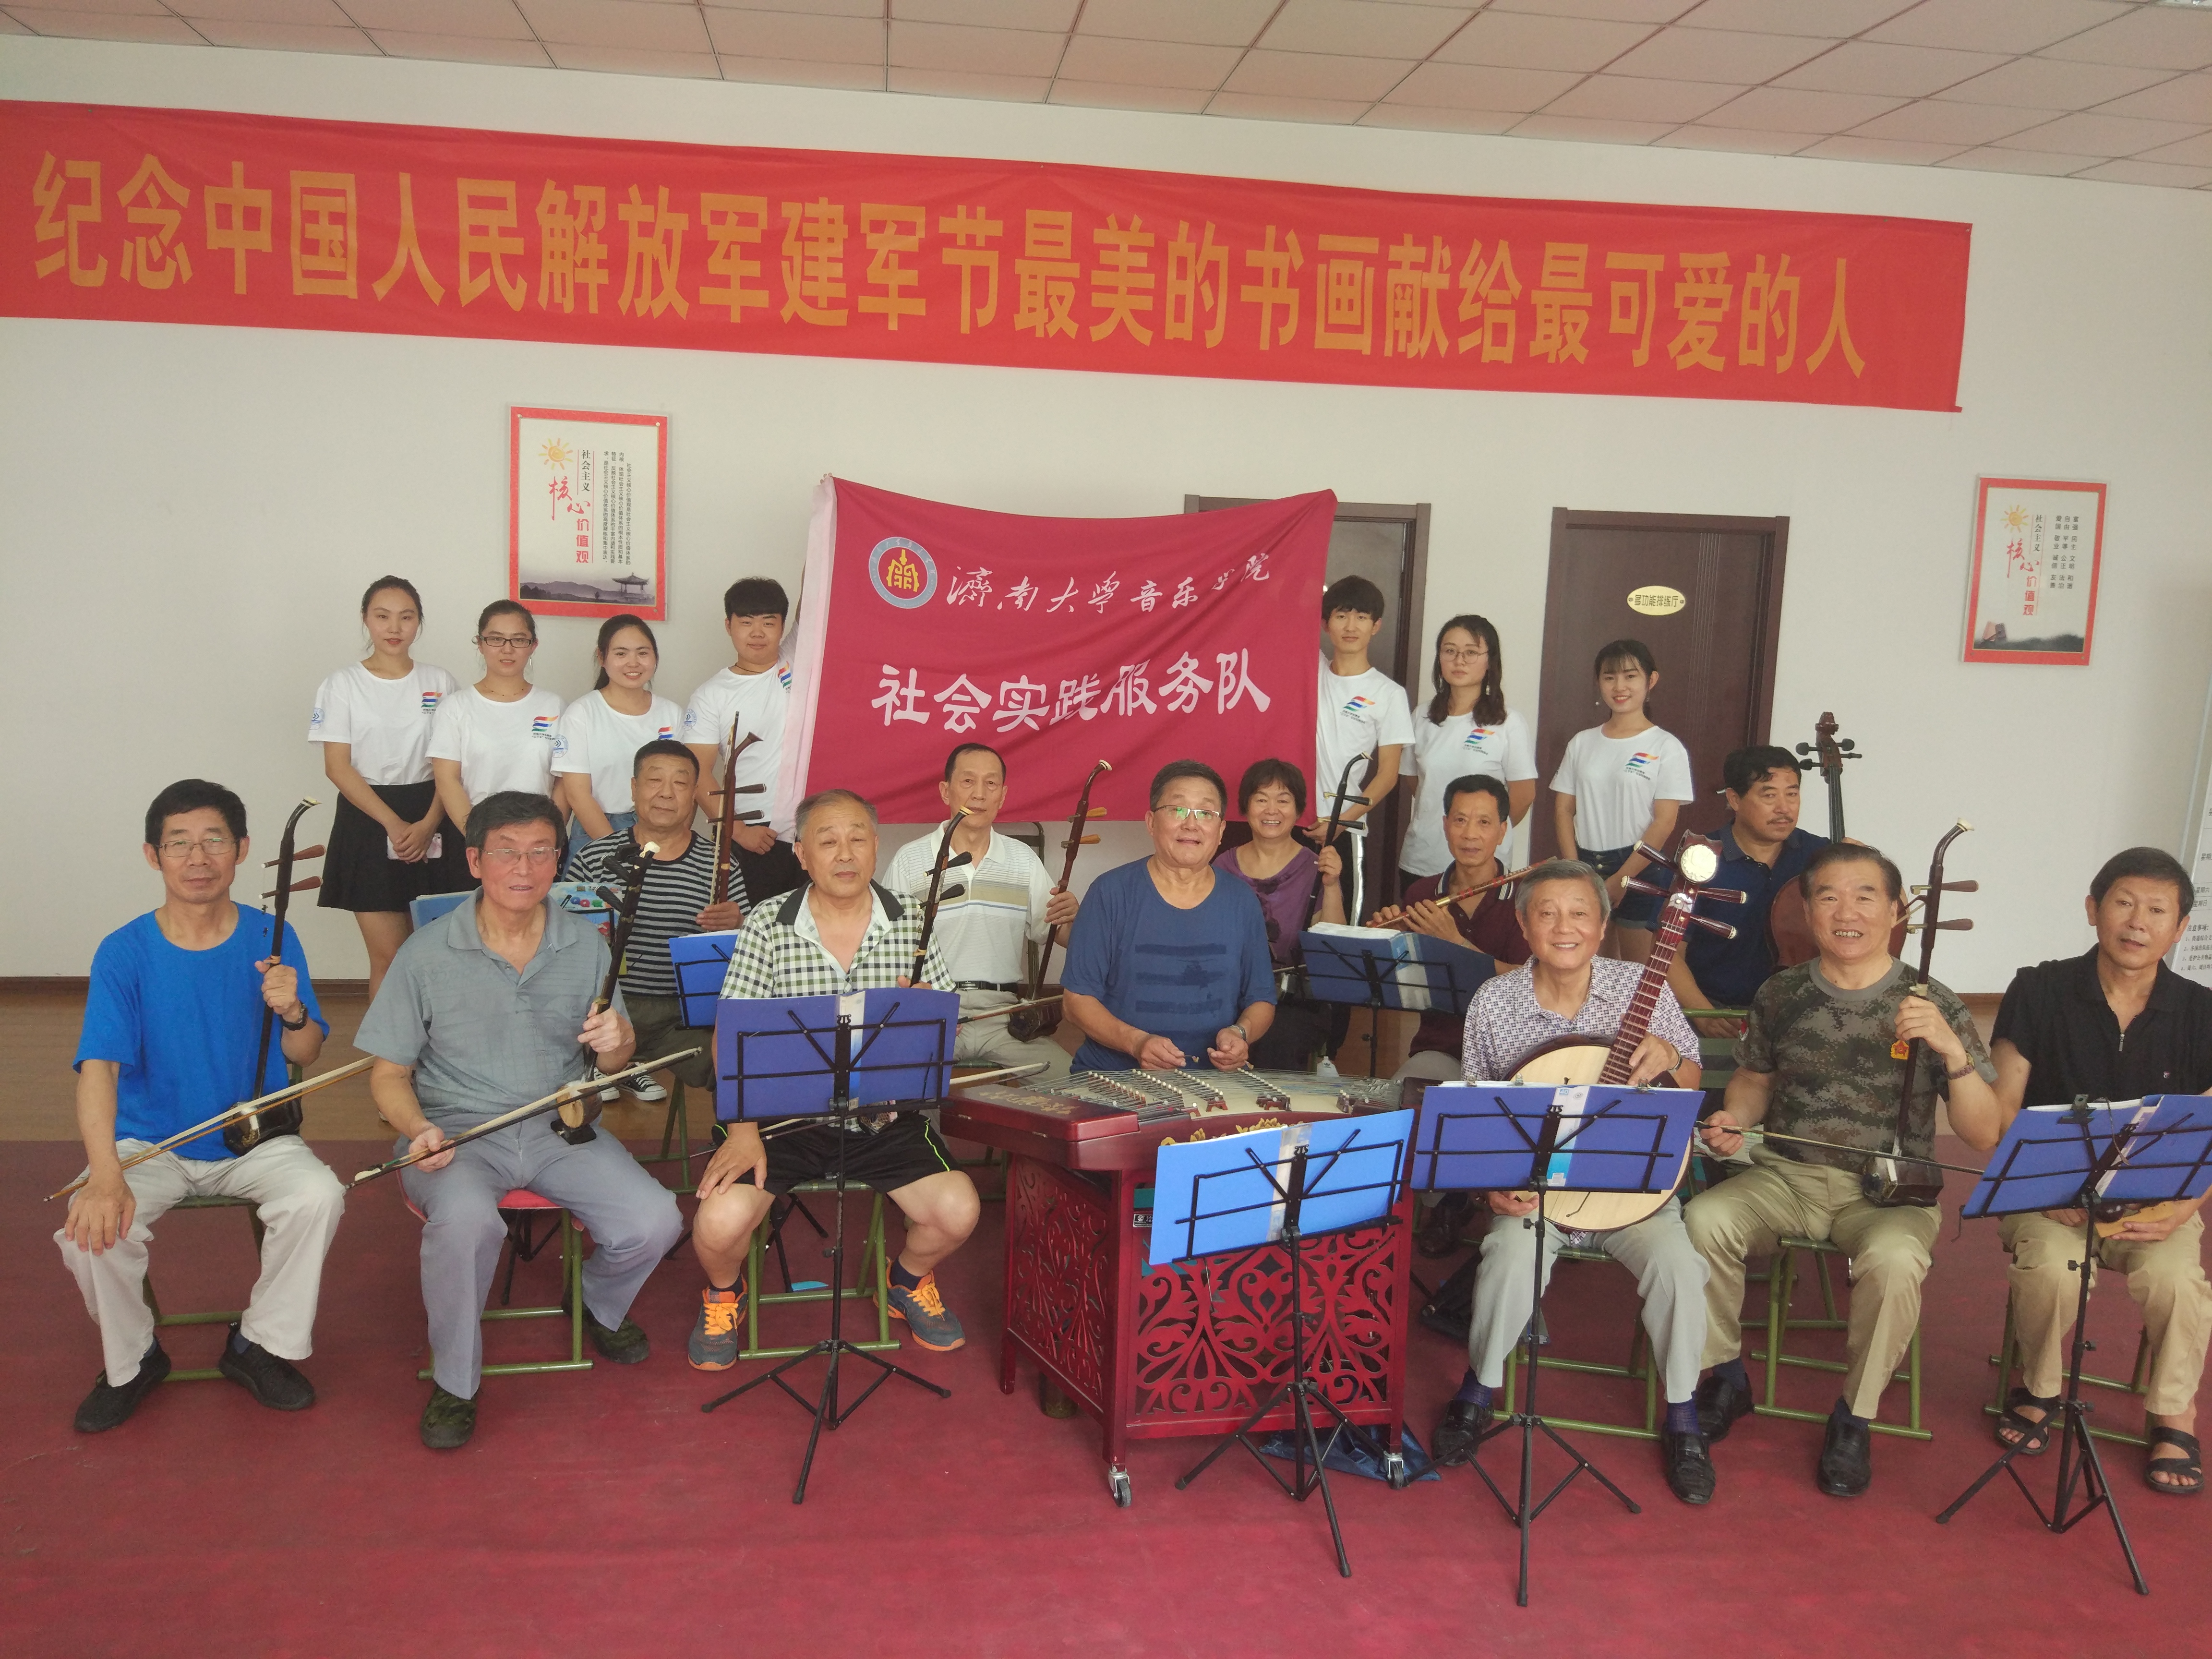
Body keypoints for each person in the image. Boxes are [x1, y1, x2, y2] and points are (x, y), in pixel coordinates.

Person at [357, 790, 683, 1450]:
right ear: (475, 861)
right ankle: (455, 1384)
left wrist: (619, 1040)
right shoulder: (425, 953)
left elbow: (611, 1061)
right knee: (466, 1224)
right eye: (507, 853)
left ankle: (594, 1302)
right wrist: (418, 1130)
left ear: (558, 861)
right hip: (456, 1133)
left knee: (656, 1220)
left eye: (540, 852)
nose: (524, 868)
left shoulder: (587, 945)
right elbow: (387, 1075)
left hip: (560, 1127)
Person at [1689, 842, 1996, 1500]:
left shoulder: (1933, 1002)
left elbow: (1983, 1132)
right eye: (1828, 897)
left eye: (1865, 897)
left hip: (1887, 1195)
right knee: (1703, 1221)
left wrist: (1952, 1049)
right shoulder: (1783, 992)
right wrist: (1736, 1117)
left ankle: (1855, 1416)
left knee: (1896, 1263)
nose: (1846, 912)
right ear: (1808, 911)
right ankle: (1727, 1377)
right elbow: (1754, 1080)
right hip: (1786, 1177)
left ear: (1896, 910)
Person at [59, 780, 346, 1432]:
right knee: (88, 1234)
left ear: (240, 850)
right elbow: (98, 1070)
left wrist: (292, 1010)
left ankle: (259, 1344)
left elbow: (307, 1051)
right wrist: (104, 1174)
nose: (198, 858)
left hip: (254, 1137)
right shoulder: (124, 951)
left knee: (318, 1197)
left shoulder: (273, 935)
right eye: (179, 844)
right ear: (152, 855)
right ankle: (134, 1358)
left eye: (214, 841)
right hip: (149, 1143)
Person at [1444, 859, 1711, 1504]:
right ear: (1523, 925)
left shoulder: (1640, 985)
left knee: (1680, 1267)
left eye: (1580, 913)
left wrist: (1672, 1055)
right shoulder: (1494, 1002)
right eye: (1547, 913)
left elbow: (1692, 1079)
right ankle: (1479, 1389)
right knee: (1507, 1256)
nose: (1564, 927)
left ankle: (1683, 1416)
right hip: (1537, 1193)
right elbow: (1478, 1117)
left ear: (1603, 924)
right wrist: (1490, 1189)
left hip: (1634, 1194)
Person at [685, 789, 975, 1370]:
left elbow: (950, 1028)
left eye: (857, 838)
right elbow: (730, 1032)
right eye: (828, 841)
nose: (845, 853)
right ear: (802, 854)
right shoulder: (768, 922)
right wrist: (742, 1131)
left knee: (958, 1210)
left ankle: (907, 1280)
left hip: (882, 1119)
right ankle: (724, 1294)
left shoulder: (911, 919)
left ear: (876, 847)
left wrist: (929, 1012)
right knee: (717, 1223)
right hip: (779, 1123)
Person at [1983, 846, 2212, 1496]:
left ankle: (2175, 1412)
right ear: (2093, 909)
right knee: (2054, 1269)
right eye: (2124, 903)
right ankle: (2040, 1388)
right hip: (2050, 1197)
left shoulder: (2203, 1012)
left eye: (2157, 911)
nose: (2138, 922)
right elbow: (2004, 1108)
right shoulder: (2039, 990)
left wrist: (2187, 1205)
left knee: (2178, 1283)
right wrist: (2040, 1188)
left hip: (2157, 1202)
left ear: (2180, 927)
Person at [309, 575, 474, 998]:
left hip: (433, 809)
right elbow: (337, 768)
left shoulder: (440, 682)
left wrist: (428, 823)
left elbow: (451, 765)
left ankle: (440, 1041)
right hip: (368, 815)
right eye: (383, 617)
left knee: (443, 953)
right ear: (366, 619)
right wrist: (393, 824)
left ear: (419, 622)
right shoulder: (342, 684)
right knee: (390, 956)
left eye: (406, 617)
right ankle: (389, 1043)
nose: (394, 628)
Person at [1060, 760, 1277, 1075]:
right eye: (1177, 810)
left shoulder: (1242, 901)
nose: (1191, 824)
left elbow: (1262, 1000)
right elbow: (1075, 1002)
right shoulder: (1110, 893)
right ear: (1151, 822)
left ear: (1221, 831)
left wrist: (1241, 1033)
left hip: (1212, 1082)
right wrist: (1136, 1043)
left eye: (1206, 813)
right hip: (1114, 1078)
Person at [567, 741, 747, 1108]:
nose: (666, 793)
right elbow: (561, 940)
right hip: (605, 1013)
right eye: (654, 781)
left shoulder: (719, 866)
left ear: (694, 795)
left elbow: (749, 954)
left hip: (682, 1022)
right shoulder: (595, 857)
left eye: (680, 783)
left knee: (740, 1066)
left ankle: (734, 1139)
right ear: (634, 789)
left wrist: (739, 925)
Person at [882, 742, 1077, 1081]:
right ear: (946, 791)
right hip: (935, 1012)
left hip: (1003, 1016)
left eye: (991, 784)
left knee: (1071, 1082)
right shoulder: (910, 860)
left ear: (1002, 796)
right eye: (968, 781)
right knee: (891, 1083)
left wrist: (1072, 916)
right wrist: (920, 1007)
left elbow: (1059, 935)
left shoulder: (1023, 860)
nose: (979, 794)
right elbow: (886, 949)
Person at [1369, 774, 1530, 1083]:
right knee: (1404, 1096)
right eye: (1460, 820)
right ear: (1445, 826)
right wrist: (1394, 942)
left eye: (1484, 822)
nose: (1470, 834)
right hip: (1441, 1049)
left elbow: (1531, 981)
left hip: (1513, 1051)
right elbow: (1410, 987)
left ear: (1502, 831)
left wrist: (1455, 943)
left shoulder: (1527, 897)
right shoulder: (1421, 894)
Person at [1550, 638, 1695, 964]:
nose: (1620, 687)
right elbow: (1563, 809)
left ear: (1651, 681)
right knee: (1588, 967)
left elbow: (1665, 821)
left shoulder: (1665, 746)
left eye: (1630, 676)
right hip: (1585, 863)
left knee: (1635, 973)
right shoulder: (1582, 742)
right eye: (1609, 677)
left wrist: (1622, 879)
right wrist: (1576, 871)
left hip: (1642, 866)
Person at [1666, 745, 1827, 1035]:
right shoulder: (1700, 858)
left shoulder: (1821, 856)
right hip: (1718, 1011)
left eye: (1792, 794)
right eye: (1769, 795)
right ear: (1735, 799)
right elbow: (1669, 951)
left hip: (1799, 1016)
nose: (1784, 808)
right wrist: (1706, 1015)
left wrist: (1867, 865)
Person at [1214, 757, 1341, 1071]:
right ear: (1245, 808)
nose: (1272, 810)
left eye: (1283, 801)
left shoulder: (1317, 867)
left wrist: (1333, 886)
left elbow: (1332, 946)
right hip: (1229, 994)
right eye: (1261, 800)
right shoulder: (1222, 866)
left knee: (1278, 1039)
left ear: (1299, 811)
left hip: (1293, 1001)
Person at [684, 577, 801, 907]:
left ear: (783, 626)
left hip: (811, 826)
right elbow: (697, 773)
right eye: (746, 623)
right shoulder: (711, 695)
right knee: (748, 929)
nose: (758, 633)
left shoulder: (795, 656)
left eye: (769, 623)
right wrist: (738, 831)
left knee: (809, 930)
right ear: (729, 626)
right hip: (753, 834)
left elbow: (814, 585)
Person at [1399, 615, 1536, 891]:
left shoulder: (1509, 722)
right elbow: (1416, 782)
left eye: (1471, 653)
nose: (1459, 661)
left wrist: (1482, 830)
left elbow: (1523, 795)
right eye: (1450, 651)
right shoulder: (1421, 716)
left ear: (1490, 661)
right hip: (1423, 859)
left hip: (1482, 867)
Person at [1315, 575, 1413, 929]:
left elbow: (1388, 776)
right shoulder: (1310, 669)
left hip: (1345, 828)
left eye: (1361, 617)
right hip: (1291, 822)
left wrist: (1340, 823)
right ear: (1326, 624)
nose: (1351, 626)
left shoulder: (1389, 694)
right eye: (1341, 616)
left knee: (1340, 930)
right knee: (1287, 924)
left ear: (1377, 626)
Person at [552, 613, 685, 862]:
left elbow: (685, 787)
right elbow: (578, 794)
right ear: (602, 658)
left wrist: (672, 841)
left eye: (643, 653)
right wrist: (618, 850)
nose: (633, 663)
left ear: (655, 657)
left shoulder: (672, 714)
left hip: (660, 833)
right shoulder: (582, 713)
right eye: (621, 654)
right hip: (596, 832)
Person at [428, 601, 564, 841]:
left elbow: (563, 782)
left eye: (519, 640)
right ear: (480, 644)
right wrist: (480, 840)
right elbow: (447, 780)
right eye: (496, 639)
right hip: (473, 838)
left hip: (539, 842)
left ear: (533, 646)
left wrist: (550, 836)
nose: (507, 649)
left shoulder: (554, 706)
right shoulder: (455, 707)